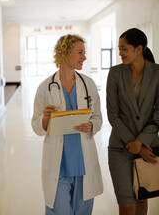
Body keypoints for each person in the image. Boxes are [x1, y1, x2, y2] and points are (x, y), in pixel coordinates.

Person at [31, 34, 103, 215]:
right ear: (64, 53)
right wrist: (45, 119)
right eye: (80, 52)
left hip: (83, 163)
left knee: (82, 212)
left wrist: (91, 126)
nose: (84, 57)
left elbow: (98, 117)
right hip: (59, 164)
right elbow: (36, 126)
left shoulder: (89, 84)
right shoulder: (45, 87)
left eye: (84, 53)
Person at [106, 28, 159, 215]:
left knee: (141, 196)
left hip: (149, 146)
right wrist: (134, 144)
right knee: (126, 204)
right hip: (119, 147)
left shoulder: (157, 73)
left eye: (123, 49)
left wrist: (142, 142)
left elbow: (158, 114)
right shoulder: (115, 73)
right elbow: (113, 114)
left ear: (138, 49)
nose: (120, 53)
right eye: (119, 49)